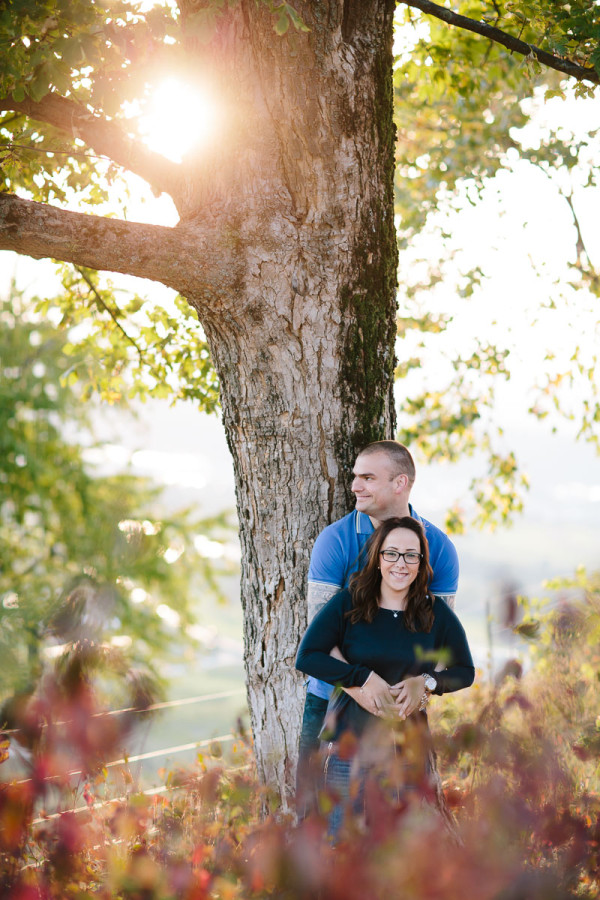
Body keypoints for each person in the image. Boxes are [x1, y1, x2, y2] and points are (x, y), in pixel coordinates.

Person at [297, 440, 459, 813]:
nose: (355, 486)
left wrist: (415, 691)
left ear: (400, 483)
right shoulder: (334, 541)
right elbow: (319, 638)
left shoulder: (438, 547)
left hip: (401, 707)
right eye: (355, 476)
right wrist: (360, 682)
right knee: (318, 818)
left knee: (400, 826)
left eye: (367, 477)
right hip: (330, 700)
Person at [296, 516, 474, 838]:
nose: (400, 563)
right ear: (378, 558)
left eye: (411, 555)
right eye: (391, 553)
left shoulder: (434, 613)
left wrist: (429, 682)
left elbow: (466, 671)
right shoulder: (349, 604)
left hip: (405, 752)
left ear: (421, 563)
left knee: (393, 854)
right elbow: (308, 656)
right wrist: (360, 678)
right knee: (344, 847)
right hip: (347, 749)